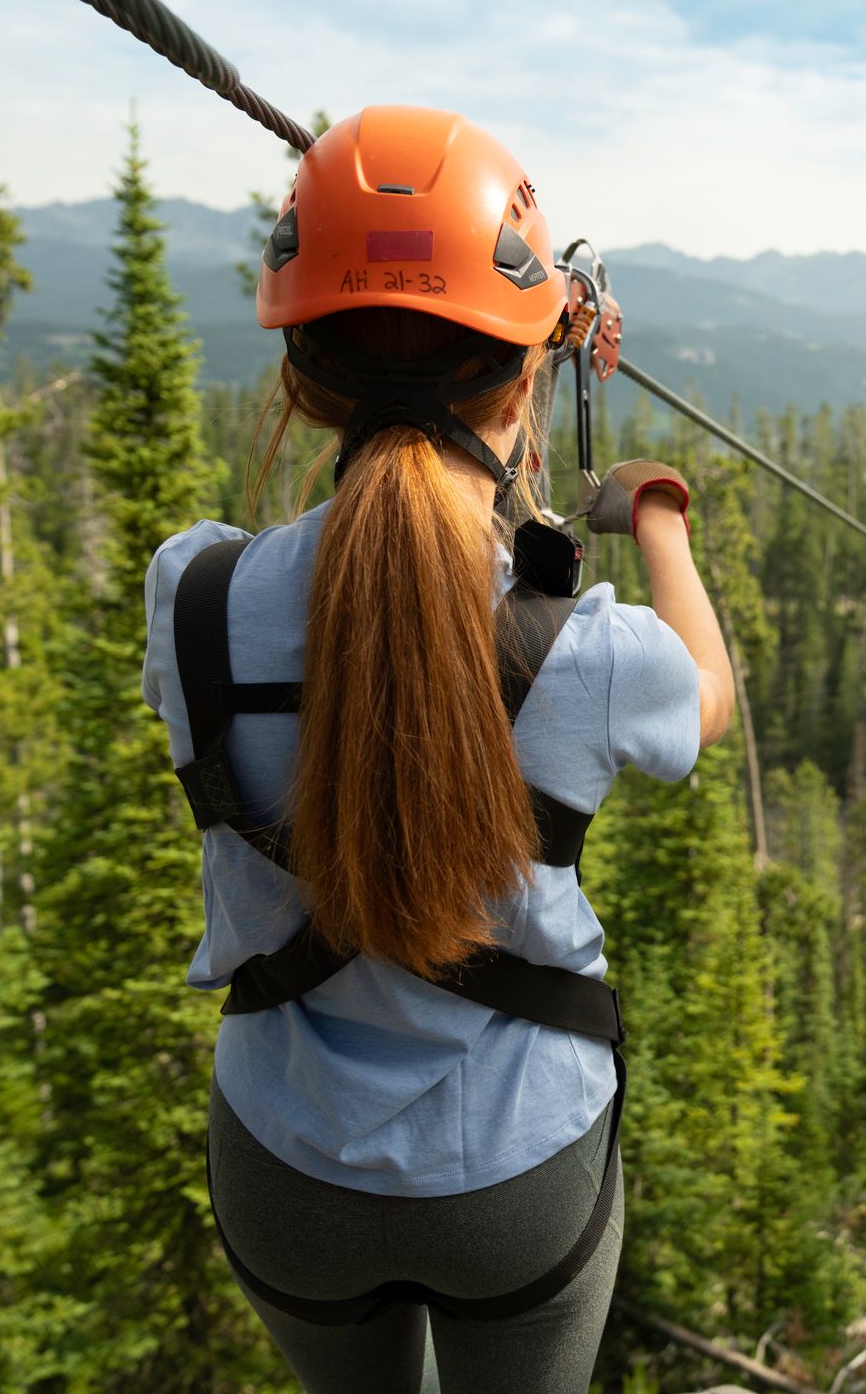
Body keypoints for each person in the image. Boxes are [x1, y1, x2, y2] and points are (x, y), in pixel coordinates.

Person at [141, 106, 732, 1393]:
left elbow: (351, 596)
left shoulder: (188, 597)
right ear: (526, 379)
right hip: (516, 1167)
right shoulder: (579, 646)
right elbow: (704, 700)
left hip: (286, 1169)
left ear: (300, 376)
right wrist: (660, 518)